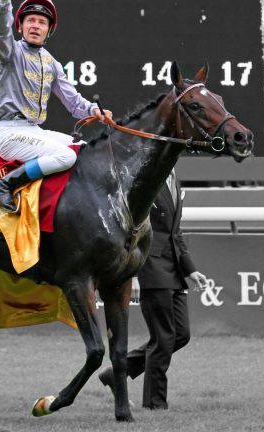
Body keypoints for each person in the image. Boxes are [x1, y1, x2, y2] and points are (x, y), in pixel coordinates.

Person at [0, 0, 113, 212]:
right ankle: (4, 185)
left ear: (48, 30)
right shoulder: (8, 51)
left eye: (42, 22)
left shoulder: (52, 63)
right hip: (9, 133)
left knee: (84, 150)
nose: (35, 25)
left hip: (35, 131)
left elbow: (74, 103)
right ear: (20, 27)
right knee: (66, 157)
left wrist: (95, 110)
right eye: (30, 21)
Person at [98, 169, 207, 410]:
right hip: (151, 266)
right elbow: (129, 228)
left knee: (180, 335)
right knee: (163, 338)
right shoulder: (145, 179)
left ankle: (118, 370)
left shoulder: (174, 178)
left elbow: (174, 232)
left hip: (174, 269)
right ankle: (155, 404)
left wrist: (190, 270)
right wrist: (133, 274)